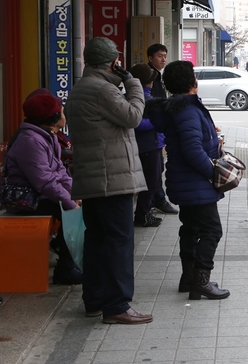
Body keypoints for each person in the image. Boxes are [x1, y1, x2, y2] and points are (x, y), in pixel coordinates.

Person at [64, 37, 152, 325]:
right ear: (113, 61)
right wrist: (134, 84)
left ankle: (95, 300)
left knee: (98, 240)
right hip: (111, 179)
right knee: (118, 242)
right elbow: (133, 116)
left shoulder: (81, 88)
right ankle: (117, 305)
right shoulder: (102, 90)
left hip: (93, 178)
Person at [147, 60, 230, 300]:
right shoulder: (188, 110)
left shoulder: (179, 108)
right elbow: (193, 150)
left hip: (185, 181)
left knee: (191, 229)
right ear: (192, 82)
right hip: (195, 182)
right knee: (212, 230)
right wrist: (212, 172)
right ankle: (201, 281)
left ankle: (189, 278)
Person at [2, 93, 82, 285]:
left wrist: (75, 194)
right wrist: (70, 202)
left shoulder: (46, 135)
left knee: (77, 207)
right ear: (53, 118)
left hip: (40, 195)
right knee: (69, 213)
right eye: (61, 111)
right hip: (24, 199)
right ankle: (65, 270)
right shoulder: (31, 141)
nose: (65, 115)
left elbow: (60, 171)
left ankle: (69, 261)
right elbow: (44, 181)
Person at [129, 64, 164, 228]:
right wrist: (157, 123)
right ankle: (142, 214)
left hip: (152, 144)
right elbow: (135, 123)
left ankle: (145, 212)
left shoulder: (137, 97)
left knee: (152, 180)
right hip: (149, 145)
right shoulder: (141, 99)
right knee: (150, 181)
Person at [146, 43, 178, 215]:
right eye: (159, 56)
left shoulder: (158, 76)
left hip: (156, 131)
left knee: (157, 168)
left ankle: (153, 200)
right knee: (155, 169)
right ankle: (156, 200)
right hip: (151, 131)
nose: (163, 59)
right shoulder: (149, 77)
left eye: (165, 56)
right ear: (150, 58)